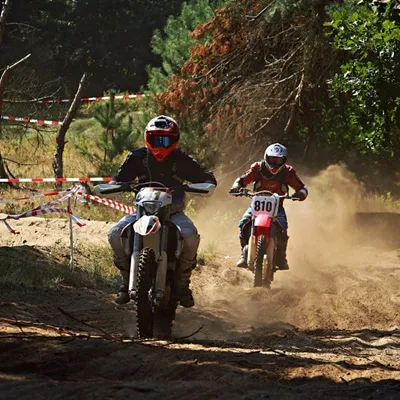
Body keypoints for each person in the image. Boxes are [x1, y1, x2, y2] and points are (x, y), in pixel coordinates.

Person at [108, 115, 217, 307]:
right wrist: (115, 185)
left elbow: (206, 176)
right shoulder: (138, 157)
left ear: (175, 140)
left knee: (191, 237)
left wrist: (204, 184)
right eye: (155, 139)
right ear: (147, 138)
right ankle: (125, 282)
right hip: (142, 213)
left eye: (165, 140)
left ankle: (183, 285)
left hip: (172, 214)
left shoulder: (182, 159)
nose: (160, 145)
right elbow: (119, 177)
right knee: (115, 234)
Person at [229, 143, 308, 270]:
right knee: (244, 222)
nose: (274, 164)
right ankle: (244, 253)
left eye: (278, 161)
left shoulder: (288, 172)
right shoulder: (257, 168)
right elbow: (241, 180)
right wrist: (236, 188)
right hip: (256, 206)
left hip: (277, 207)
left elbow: (302, 187)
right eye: (272, 159)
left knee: (283, 228)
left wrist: (300, 194)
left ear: (284, 160)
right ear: (266, 157)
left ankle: (281, 257)